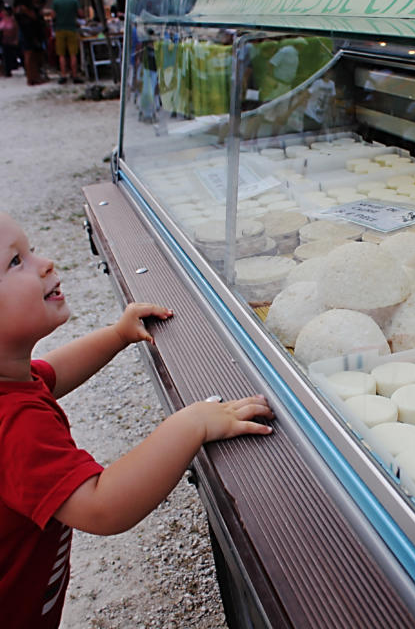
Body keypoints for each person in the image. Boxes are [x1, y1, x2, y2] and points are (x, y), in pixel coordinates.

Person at [0, 212, 275, 628]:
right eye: (14, 262)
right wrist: (190, 424)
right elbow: (103, 506)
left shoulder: (13, 380)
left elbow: (50, 373)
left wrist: (116, 335)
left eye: (31, 250)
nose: (46, 263)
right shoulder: (16, 426)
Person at [13, 0, 46, 85]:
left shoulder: (17, 8)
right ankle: (32, 77)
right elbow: (34, 18)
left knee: (29, 56)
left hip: (25, 32)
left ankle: (32, 77)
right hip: (28, 33)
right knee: (30, 56)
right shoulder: (24, 8)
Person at [51, 0, 83, 84]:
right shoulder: (74, 0)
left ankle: (63, 75)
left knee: (62, 54)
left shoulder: (56, 1)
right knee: (73, 53)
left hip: (60, 29)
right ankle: (74, 75)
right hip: (72, 29)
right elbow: (80, 14)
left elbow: (53, 16)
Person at [0, 2, 20, 77]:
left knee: (13, 55)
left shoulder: (13, 20)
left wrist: (16, 39)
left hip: (12, 40)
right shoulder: (2, 20)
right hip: (4, 41)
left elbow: (16, 30)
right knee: (6, 56)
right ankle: (7, 71)